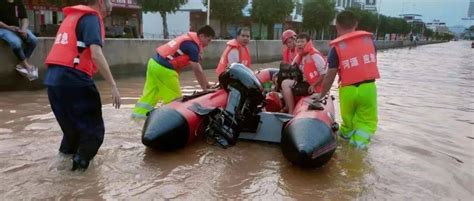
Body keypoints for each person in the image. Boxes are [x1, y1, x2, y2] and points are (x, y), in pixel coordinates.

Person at [44, 0, 121, 170]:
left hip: (53, 81)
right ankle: (79, 181)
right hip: (74, 79)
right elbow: (96, 54)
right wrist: (113, 85)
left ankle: (61, 173)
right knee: (93, 133)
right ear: (100, 2)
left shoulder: (72, 17)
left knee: (72, 134)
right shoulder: (91, 18)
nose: (111, 6)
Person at [319, 10, 380, 149]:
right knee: (365, 123)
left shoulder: (337, 47)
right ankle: (356, 154)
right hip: (368, 89)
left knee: (347, 124)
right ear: (356, 24)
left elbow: (331, 74)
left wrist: (321, 95)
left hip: (347, 90)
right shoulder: (369, 42)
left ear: (337, 26)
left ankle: (342, 149)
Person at [132, 25, 215, 119]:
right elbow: (197, 70)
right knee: (175, 101)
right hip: (164, 69)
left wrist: (207, 85)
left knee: (150, 94)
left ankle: (137, 118)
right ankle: (166, 122)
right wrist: (205, 89)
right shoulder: (192, 46)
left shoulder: (187, 40)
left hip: (153, 64)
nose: (208, 43)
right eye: (208, 40)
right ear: (202, 36)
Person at [281, 33, 326, 114]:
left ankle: (291, 111)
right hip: (304, 83)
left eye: (302, 42)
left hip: (314, 86)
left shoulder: (315, 56)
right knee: (284, 83)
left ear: (308, 43)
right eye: (298, 42)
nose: (299, 44)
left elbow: (324, 74)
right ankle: (289, 108)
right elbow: (291, 68)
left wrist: (314, 85)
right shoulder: (299, 56)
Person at [0, 0, 38, 81]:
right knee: (16, 42)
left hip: (17, 28)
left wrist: (23, 29)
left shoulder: (18, 2)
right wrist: (8, 27)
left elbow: (24, 18)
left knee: (33, 39)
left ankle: (21, 64)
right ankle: (26, 65)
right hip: (3, 29)